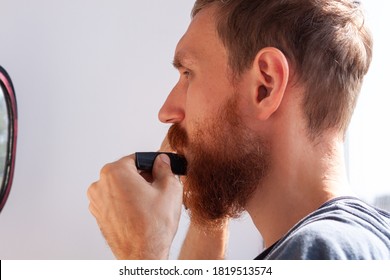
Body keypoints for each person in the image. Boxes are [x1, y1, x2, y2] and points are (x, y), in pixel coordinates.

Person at [87, 0, 390, 259]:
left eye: (188, 73)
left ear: (264, 86)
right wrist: (207, 187)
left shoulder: (317, 250)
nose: (166, 112)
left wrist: (142, 254)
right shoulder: (359, 241)